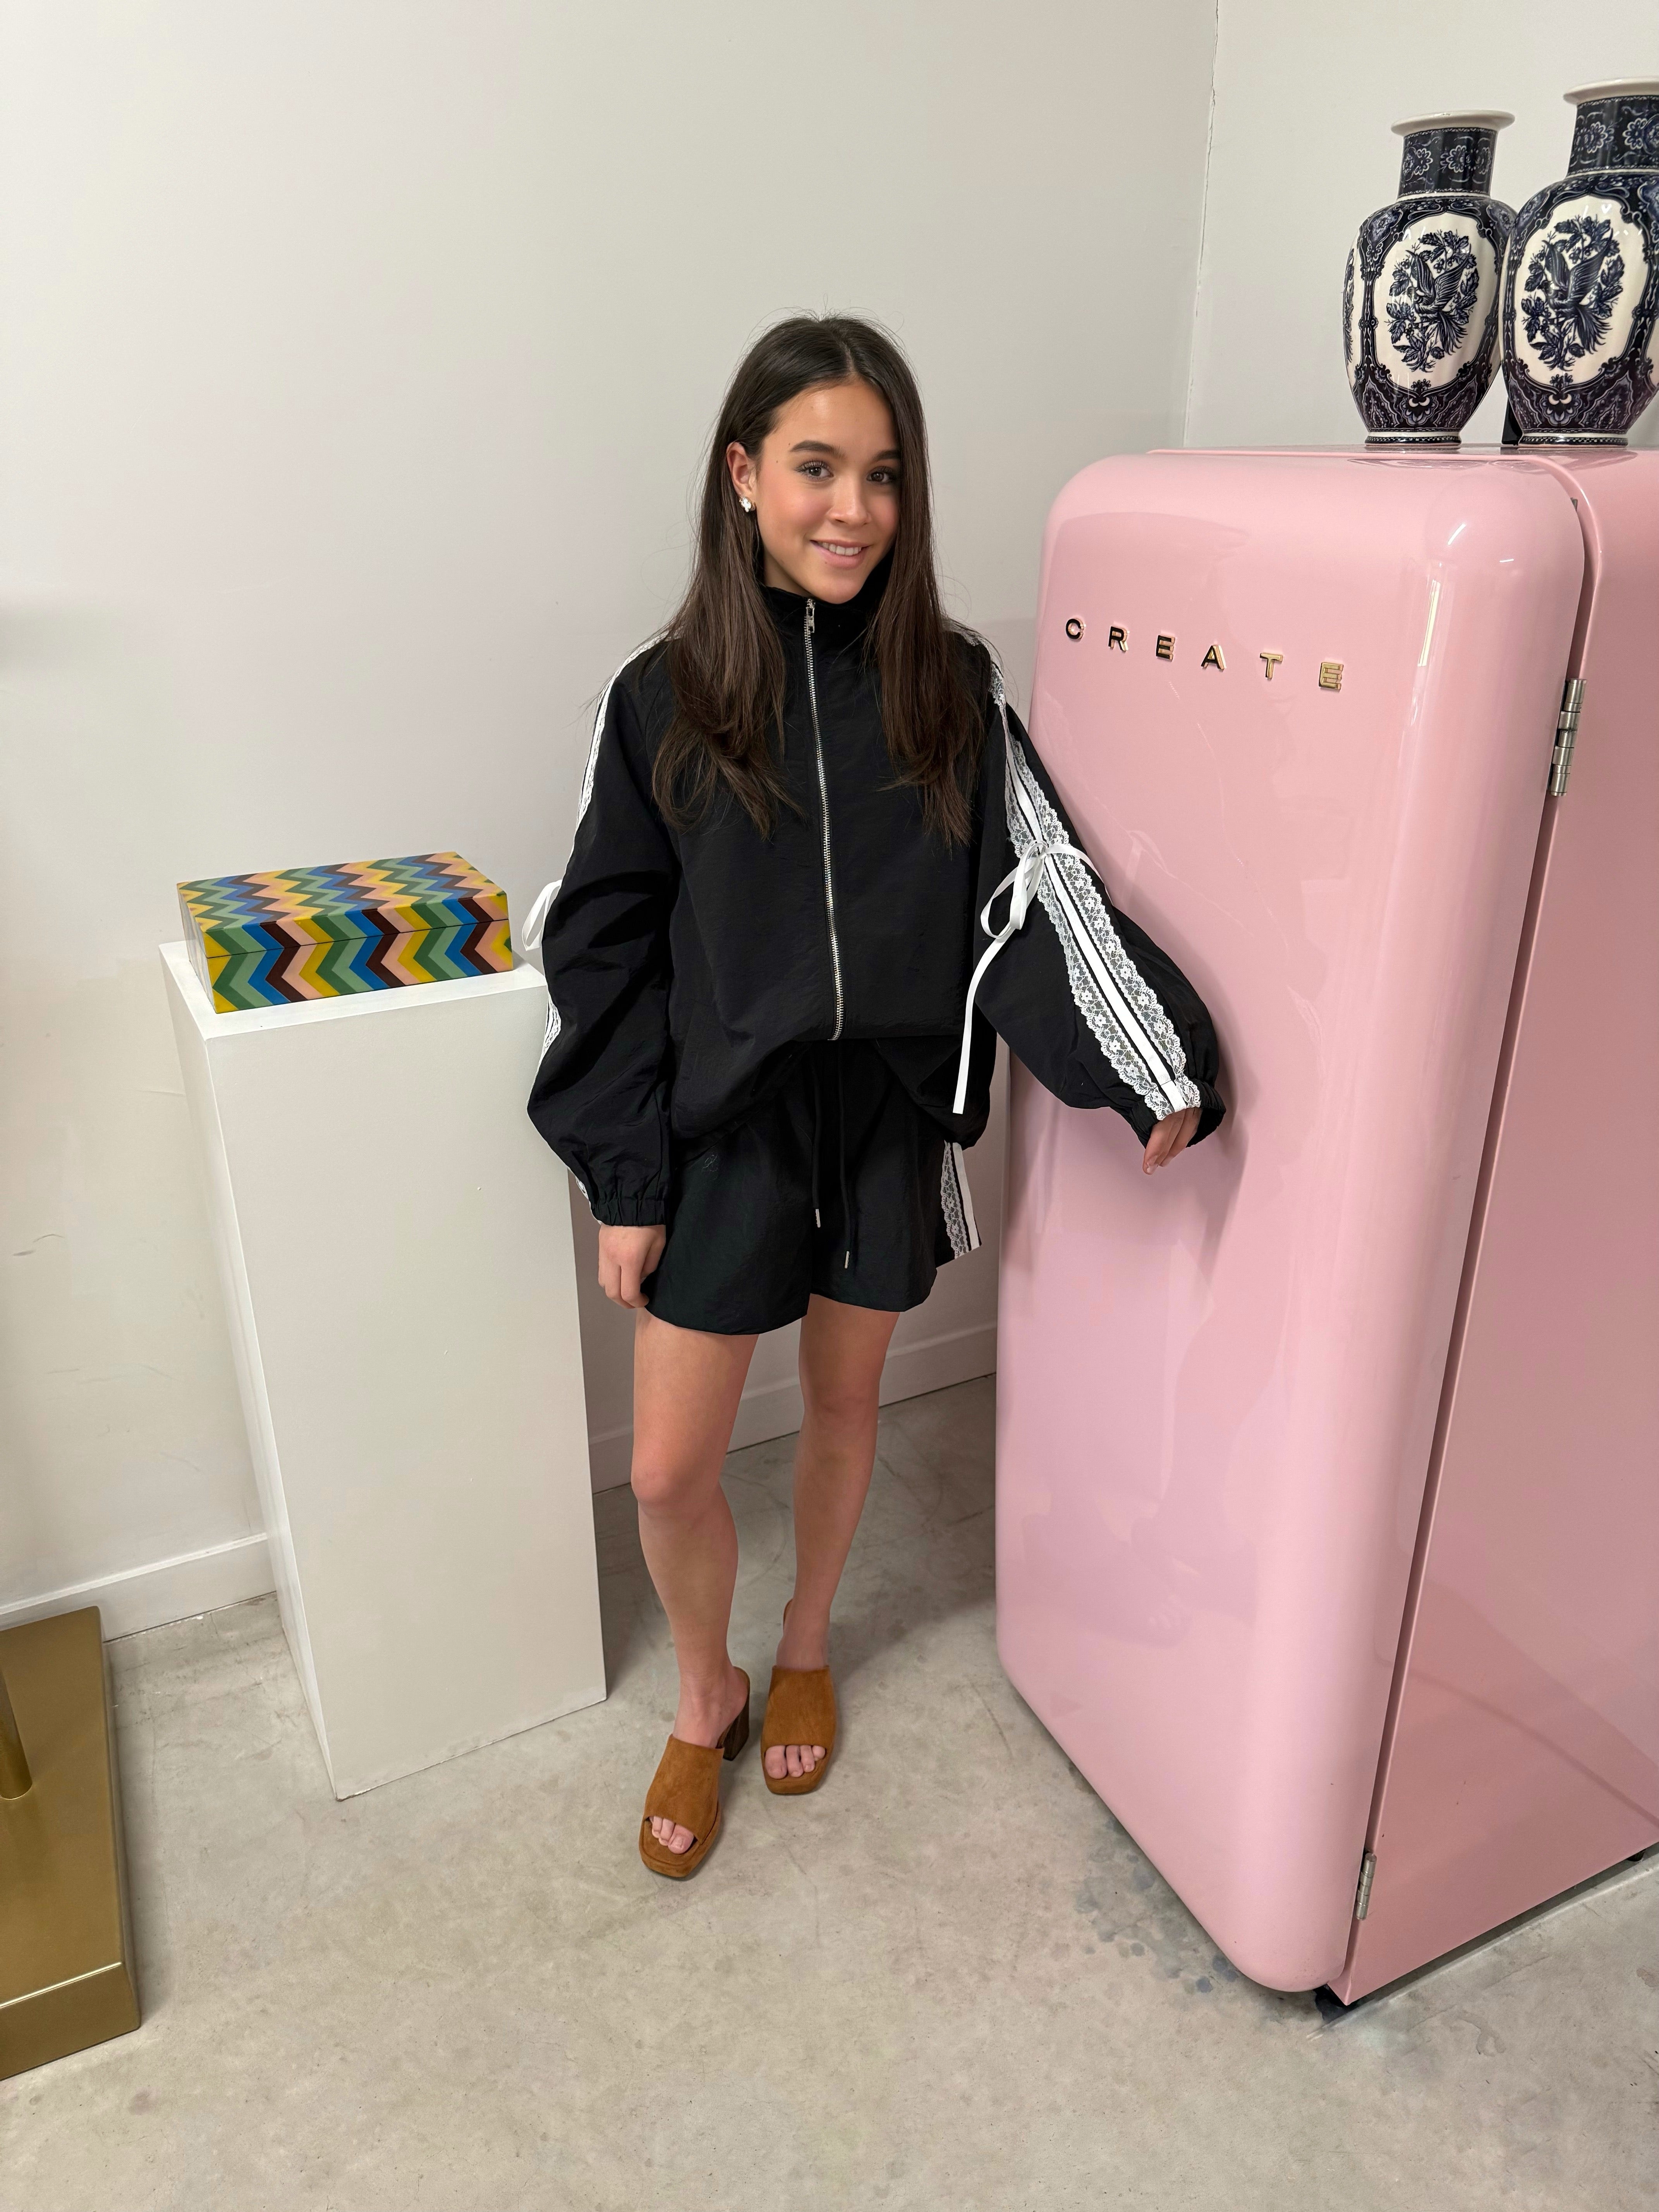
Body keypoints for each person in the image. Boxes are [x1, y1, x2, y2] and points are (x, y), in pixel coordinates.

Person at [527, 314, 1224, 1879]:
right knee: (669, 1469)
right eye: (817, 468)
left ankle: (805, 1644)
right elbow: (601, 946)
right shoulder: (661, 697)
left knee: (847, 1407)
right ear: (742, 475)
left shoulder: (947, 685)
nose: (853, 510)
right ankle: (702, 1692)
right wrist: (627, 1175)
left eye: (884, 475)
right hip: (724, 1129)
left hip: (887, 1117)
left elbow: (1036, 891)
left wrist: (1150, 1064)